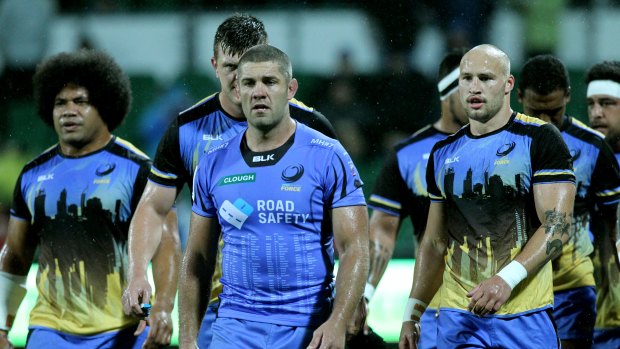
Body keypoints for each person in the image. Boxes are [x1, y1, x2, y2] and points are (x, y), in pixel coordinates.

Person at [122, 13, 337, 349]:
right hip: (218, 308)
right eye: (230, 68)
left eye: (251, 67)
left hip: (301, 306)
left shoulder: (313, 128)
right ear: (213, 65)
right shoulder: (188, 130)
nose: (242, 81)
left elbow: (341, 219)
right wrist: (137, 271)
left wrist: (351, 299)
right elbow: (153, 206)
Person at [179, 44, 369, 349]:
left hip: (308, 327)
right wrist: (187, 338)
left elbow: (354, 249)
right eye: (249, 83)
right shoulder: (212, 163)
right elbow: (197, 260)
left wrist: (337, 320)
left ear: (290, 89)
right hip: (234, 328)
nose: (258, 92)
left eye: (270, 82)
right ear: (237, 91)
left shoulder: (328, 155)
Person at [399, 44, 577, 349]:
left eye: (486, 78)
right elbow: (434, 242)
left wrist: (504, 280)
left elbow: (558, 226)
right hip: (459, 314)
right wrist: (412, 312)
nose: (474, 87)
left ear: (509, 85)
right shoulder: (442, 153)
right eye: (466, 78)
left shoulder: (540, 138)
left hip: (524, 313)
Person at [0, 49, 178, 349]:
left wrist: (160, 307)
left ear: (104, 106)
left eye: (80, 102)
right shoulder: (32, 175)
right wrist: (2, 327)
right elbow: (15, 256)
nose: (68, 111)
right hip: (49, 329)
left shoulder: (137, 169)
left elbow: (167, 242)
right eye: (60, 103)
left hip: (123, 329)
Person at [356, 48, 468, 349]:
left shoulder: (511, 147)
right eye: (468, 83)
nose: (478, 91)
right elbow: (382, 230)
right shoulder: (408, 156)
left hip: (504, 307)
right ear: (447, 91)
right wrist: (364, 295)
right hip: (436, 309)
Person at [517, 54, 620, 349]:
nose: (547, 122)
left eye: (555, 112)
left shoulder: (594, 148)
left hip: (571, 287)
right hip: (514, 287)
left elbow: (613, 227)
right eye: (536, 112)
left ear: (568, 97)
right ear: (519, 96)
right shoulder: (500, 145)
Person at [585, 60, 620, 349]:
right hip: (589, 317)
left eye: (607, 103)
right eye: (591, 104)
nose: (596, 113)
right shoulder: (578, 166)